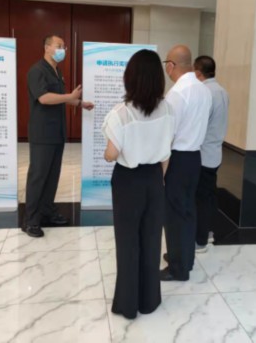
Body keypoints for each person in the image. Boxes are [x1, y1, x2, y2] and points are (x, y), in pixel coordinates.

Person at [102, 49, 175, 319]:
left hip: (128, 181)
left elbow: (111, 154)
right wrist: (159, 180)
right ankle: (149, 300)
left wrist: (108, 153)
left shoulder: (121, 113)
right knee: (152, 239)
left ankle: (128, 303)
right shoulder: (168, 110)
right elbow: (166, 154)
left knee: (128, 240)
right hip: (155, 178)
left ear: (130, 78)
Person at [24, 34, 94, 238]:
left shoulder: (56, 71)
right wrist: (70, 96)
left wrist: (79, 103)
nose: (63, 49)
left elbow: (60, 98)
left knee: (52, 176)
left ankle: (47, 212)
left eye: (64, 46)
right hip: (42, 134)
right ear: (47, 47)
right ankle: (30, 221)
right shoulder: (37, 71)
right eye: (59, 45)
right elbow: (44, 98)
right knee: (38, 177)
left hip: (56, 133)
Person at [161, 45, 212, 282]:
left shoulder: (177, 93)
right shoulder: (203, 90)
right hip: (194, 158)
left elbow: (168, 135)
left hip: (178, 159)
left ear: (171, 65)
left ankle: (178, 268)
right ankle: (184, 257)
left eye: (166, 65)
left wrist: (161, 169)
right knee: (188, 210)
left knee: (174, 213)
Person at [193, 55, 229, 251]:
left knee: (200, 198)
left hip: (203, 154)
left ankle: (200, 240)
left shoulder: (204, 93)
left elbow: (199, 125)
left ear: (198, 73)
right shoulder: (222, 91)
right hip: (215, 152)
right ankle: (207, 232)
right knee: (209, 196)